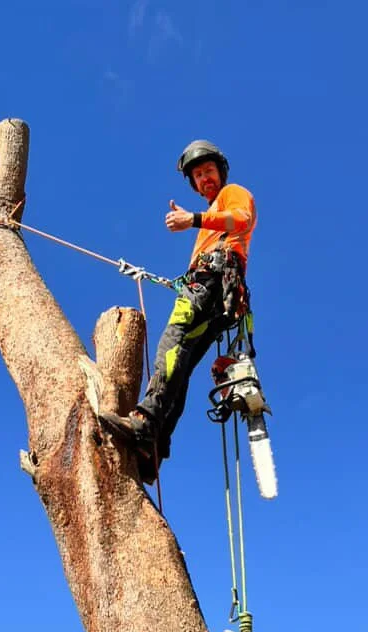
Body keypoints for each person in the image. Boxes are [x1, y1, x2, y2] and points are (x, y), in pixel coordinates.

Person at [100, 140, 257, 483]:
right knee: (180, 365)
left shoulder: (232, 193)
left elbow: (241, 220)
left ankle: (145, 422)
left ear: (221, 171)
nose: (204, 179)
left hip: (212, 280)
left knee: (172, 344)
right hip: (214, 290)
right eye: (198, 176)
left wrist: (194, 219)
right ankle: (153, 448)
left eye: (208, 171)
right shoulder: (211, 221)